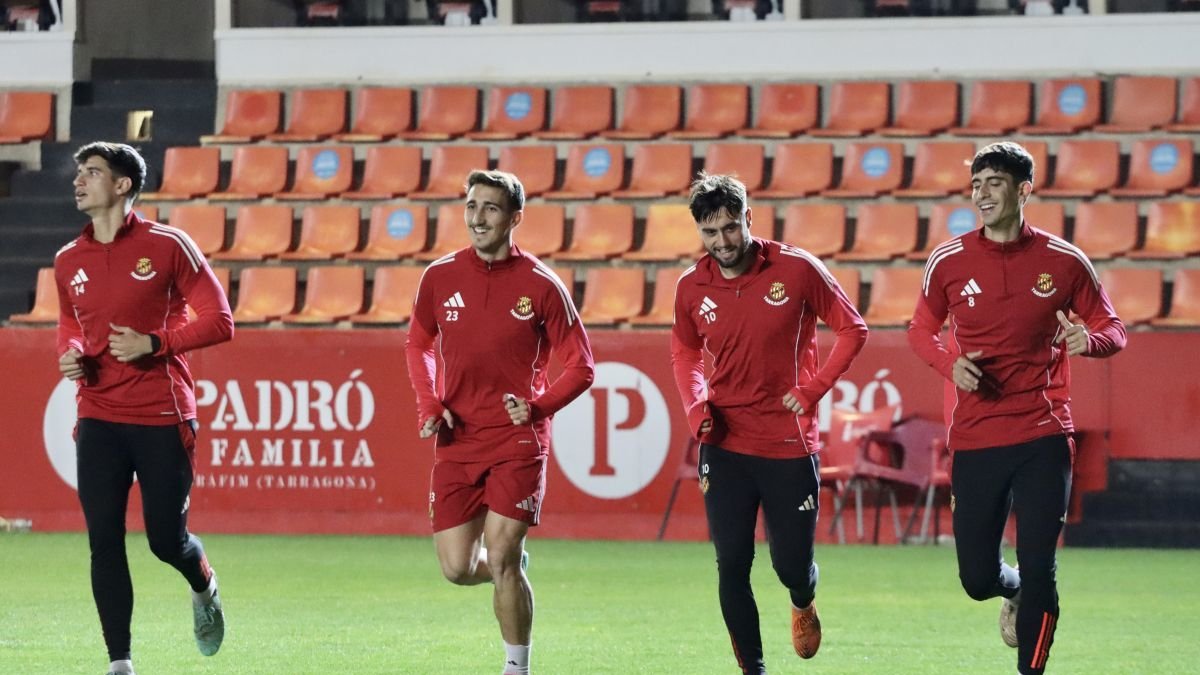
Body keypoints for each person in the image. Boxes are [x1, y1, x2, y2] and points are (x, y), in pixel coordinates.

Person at [908, 141, 1126, 675]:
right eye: (976, 184)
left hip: (1043, 432)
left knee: (1043, 565)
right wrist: (949, 364)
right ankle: (1014, 588)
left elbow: (1112, 328)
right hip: (978, 436)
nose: (981, 194)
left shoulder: (1064, 260)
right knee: (977, 578)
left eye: (994, 183)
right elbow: (919, 330)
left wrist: (1088, 343)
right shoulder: (948, 260)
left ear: (1023, 190)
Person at [670, 173, 869, 674]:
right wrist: (696, 408)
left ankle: (803, 598)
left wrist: (812, 390)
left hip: (789, 442)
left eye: (731, 228)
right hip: (725, 443)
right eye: (710, 233)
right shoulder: (691, 287)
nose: (723, 242)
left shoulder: (798, 269)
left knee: (790, 567)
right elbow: (685, 352)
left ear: (749, 219)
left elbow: (852, 329)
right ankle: (753, 669)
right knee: (732, 564)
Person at [404, 169, 594, 675]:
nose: (478, 217)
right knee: (456, 568)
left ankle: (516, 667)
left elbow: (582, 366)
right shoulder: (439, 277)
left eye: (490, 208)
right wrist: (429, 402)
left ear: (515, 218)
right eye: (471, 206)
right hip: (457, 438)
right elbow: (418, 343)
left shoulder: (542, 285)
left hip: (517, 439)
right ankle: (509, 572)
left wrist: (537, 407)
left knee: (503, 553)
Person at [55, 142, 232, 675]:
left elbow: (220, 320)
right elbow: (69, 322)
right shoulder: (68, 260)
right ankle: (120, 662)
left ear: (123, 185)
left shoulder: (169, 244)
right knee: (103, 539)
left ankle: (204, 585)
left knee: (164, 540)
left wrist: (155, 344)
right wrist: (69, 354)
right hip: (98, 415)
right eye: (78, 173)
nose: (78, 181)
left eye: (92, 173)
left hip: (161, 415)